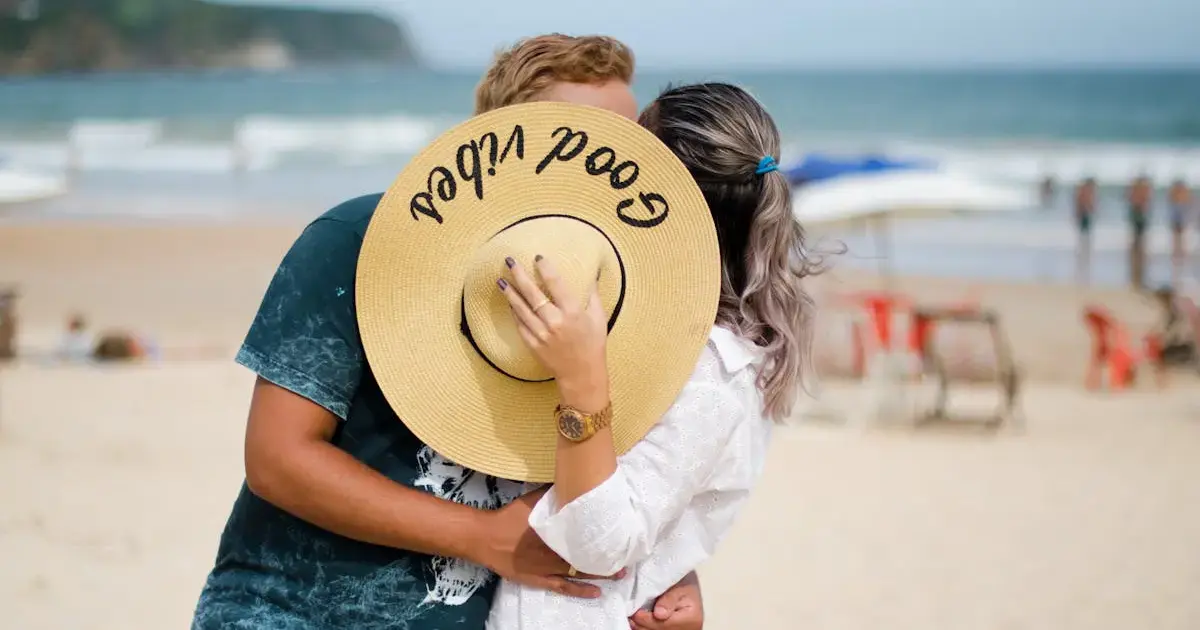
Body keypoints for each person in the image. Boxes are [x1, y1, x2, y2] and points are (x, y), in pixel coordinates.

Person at [191, 35, 704, 630]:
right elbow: (277, 459)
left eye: (623, 148)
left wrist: (670, 576)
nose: (604, 166)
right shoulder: (363, 242)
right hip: (286, 611)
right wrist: (482, 536)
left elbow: (612, 474)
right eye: (579, 144)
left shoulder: (619, 289)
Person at [484, 82, 821, 629]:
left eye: (628, 161)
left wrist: (581, 380)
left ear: (660, 200)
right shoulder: (656, 332)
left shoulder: (715, 366)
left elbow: (601, 543)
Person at [1127, 174, 1153, 289]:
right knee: (1137, 251)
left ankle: (1138, 279)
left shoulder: (1139, 196)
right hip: (1137, 225)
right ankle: (1135, 279)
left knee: (1140, 252)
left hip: (1140, 224)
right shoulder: (1136, 197)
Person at [1168, 178, 1193, 282]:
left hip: (1182, 228)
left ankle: (1181, 274)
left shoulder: (1183, 202)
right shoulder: (1175, 202)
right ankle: (1177, 274)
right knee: (1177, 251)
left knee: (1182, 251)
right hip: (1177, 228)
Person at [1074, 177, 1097, 284]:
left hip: (1085, 219)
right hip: (1084, 219)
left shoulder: (1085, 193)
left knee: (1085, 243)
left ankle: (1084, 268)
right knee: (1084, 243)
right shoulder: (1084, 193)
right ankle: (1082, 269)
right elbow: (1083, 207)